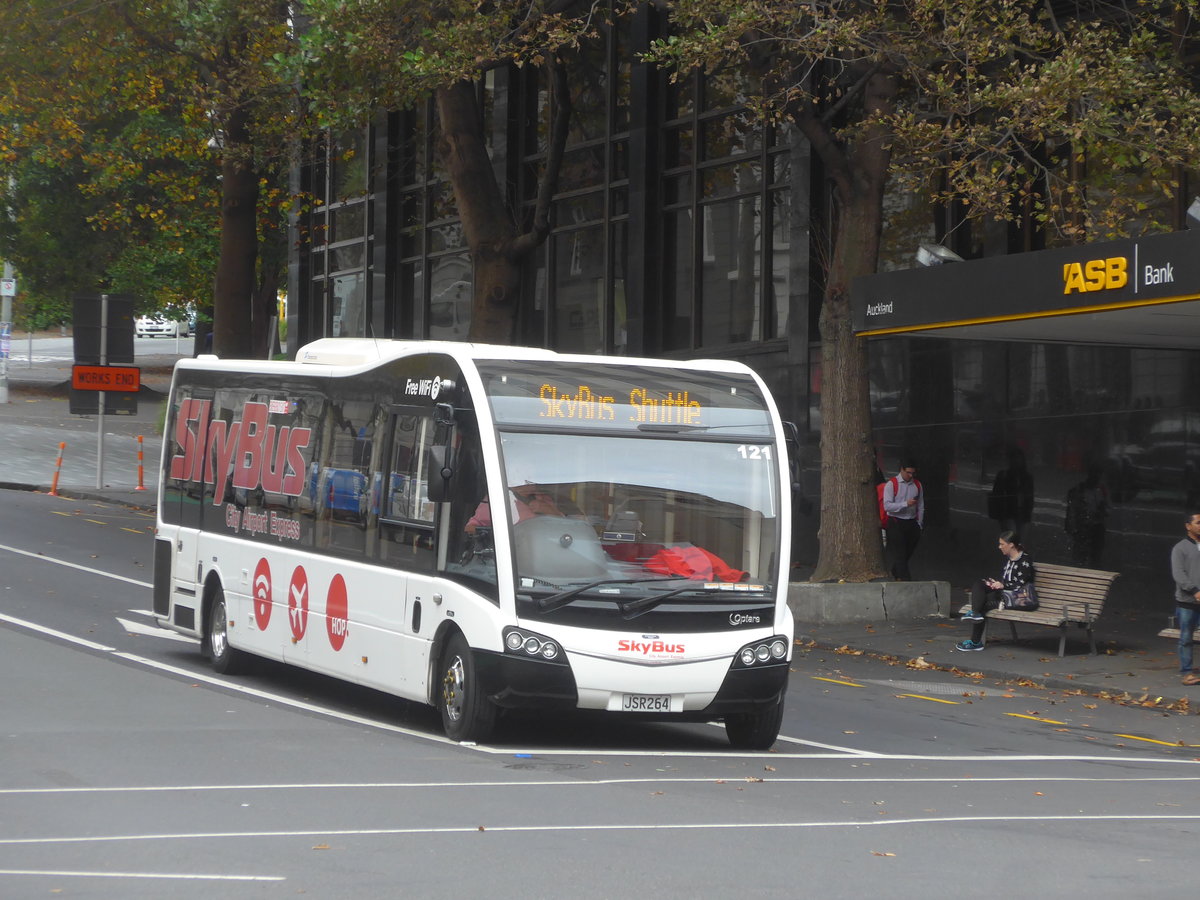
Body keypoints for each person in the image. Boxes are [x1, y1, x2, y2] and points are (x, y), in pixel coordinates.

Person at [956, 530, 1034, 651]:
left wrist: (1003, 585)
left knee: (983, 604)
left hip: (1020, 598)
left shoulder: (1025, 560)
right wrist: (995, 584)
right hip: (1005, 595)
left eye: (1002, 544)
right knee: (980, 583)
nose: (999, 547)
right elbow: (1008, 581)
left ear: (1011, 545)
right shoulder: (1010, 559)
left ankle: (975, 641)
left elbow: (1021, 583)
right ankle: (975, 614)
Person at [1170, 512, 1200, 685]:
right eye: (1198, 522)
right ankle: (1187, 672)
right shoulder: (1180, 548)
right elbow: (1179, 574)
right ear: (1188, 526)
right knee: (1186, 638)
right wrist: (1195, 591)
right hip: (1187, 602)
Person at [882, 458, 923, 580]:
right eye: (908, 473)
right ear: (902, 470)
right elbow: (887, 506)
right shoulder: (892, 484)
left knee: (907, 552)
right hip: (896, 521)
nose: (910, 476)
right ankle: (906, 580)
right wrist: (905, 504)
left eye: (912, 473)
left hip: (911, 522)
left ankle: (896, 571)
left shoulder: (917, 485)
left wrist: (919, 524)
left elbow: (921, 506)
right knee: (900, 553)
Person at [1064, 466, 1108, 567]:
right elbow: (1072, 508)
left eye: (1098, 475)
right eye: (1094, 475)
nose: (1096, 478)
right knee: (1080, 556)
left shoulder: (1101, 490)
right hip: (1083, 527)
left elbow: (1107, 509)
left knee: (1094, 556)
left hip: (1096, 527)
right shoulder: (1079, 490)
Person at [987, 447, 1034, 535]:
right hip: (1010, 513)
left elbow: (1030, 497)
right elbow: (997, 495)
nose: (1017, 461)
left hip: (1020, 513)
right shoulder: (1005, 476)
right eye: (1015, 459)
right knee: (1014, 538)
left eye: (1018, 459)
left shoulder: (1026, 477)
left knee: (1016, 540)